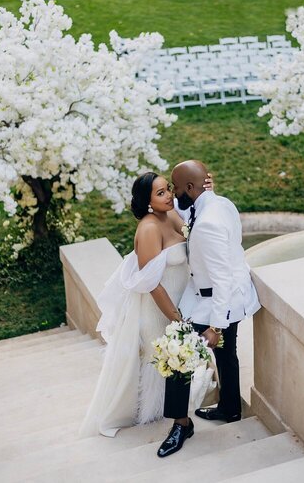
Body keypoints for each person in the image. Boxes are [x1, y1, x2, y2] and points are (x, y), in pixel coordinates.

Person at [79, 171, 212, 437]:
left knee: (177, 359)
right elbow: (152, 284)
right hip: (158, 306)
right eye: (160, 193)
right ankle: (154, 415)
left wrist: (207, 190)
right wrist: (176, 318)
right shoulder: (149, 228)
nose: (169, 196)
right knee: (161, 357)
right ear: (148, 201)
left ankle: (176, 408)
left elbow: (197, 220)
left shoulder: (171, 213)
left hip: (181, 298)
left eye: (168, 190)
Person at [157, 160, 261, 458]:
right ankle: (230, 409)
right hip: (225, 295)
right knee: (227, 356)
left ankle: (181, 424)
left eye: (177, 188)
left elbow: (221, 280)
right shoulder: (221, 204)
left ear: (191, 188)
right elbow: (188, 207)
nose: (174, 194)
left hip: (215, 302)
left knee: (177, 353)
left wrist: (216, 327)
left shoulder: (207, 225)